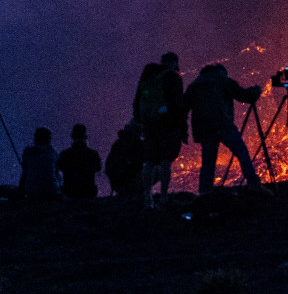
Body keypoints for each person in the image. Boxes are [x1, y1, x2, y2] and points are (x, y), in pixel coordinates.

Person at [184, 64, 267, 195]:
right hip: (223, 124)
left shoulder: (195, 85)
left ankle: (205, 192)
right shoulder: (223, 80)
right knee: (241, 152)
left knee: (208, 162)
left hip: (204, 129)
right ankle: (253, 184)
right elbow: (244, 96)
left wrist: (184, 131)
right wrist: (256, 91)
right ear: (221, 71)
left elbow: (184, 108)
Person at [133, 53, 186, 208]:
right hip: (168, 125)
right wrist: (182, 127)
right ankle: (163, 196)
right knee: (165, 161)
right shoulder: (173, 77)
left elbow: (137, 101)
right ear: (174, 63)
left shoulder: (148, 76)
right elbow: (178, 104)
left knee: (149, 161)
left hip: (149, 124)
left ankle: (148, 196)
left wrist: (141, 120)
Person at [58, 123, 102, 199]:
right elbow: (98, 168)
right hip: (88, 191)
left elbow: (60, 168)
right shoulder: (93, 154)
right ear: (85, 137)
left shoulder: (65, 154)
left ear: (72, 136)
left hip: (70, 191)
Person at [105, 121, 144, 198]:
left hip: (116, 183)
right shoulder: (137, 144)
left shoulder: (117, 144)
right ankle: (137, 191)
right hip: (129, 182)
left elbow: (108, 165)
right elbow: (139, 164)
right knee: (155, 168)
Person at [19, 127, 60, 200]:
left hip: (32, 191)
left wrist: (20, 190)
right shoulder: (53, 154)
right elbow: (56, 172)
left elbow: (24, 173)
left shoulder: (27, 152)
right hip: (51, 190)